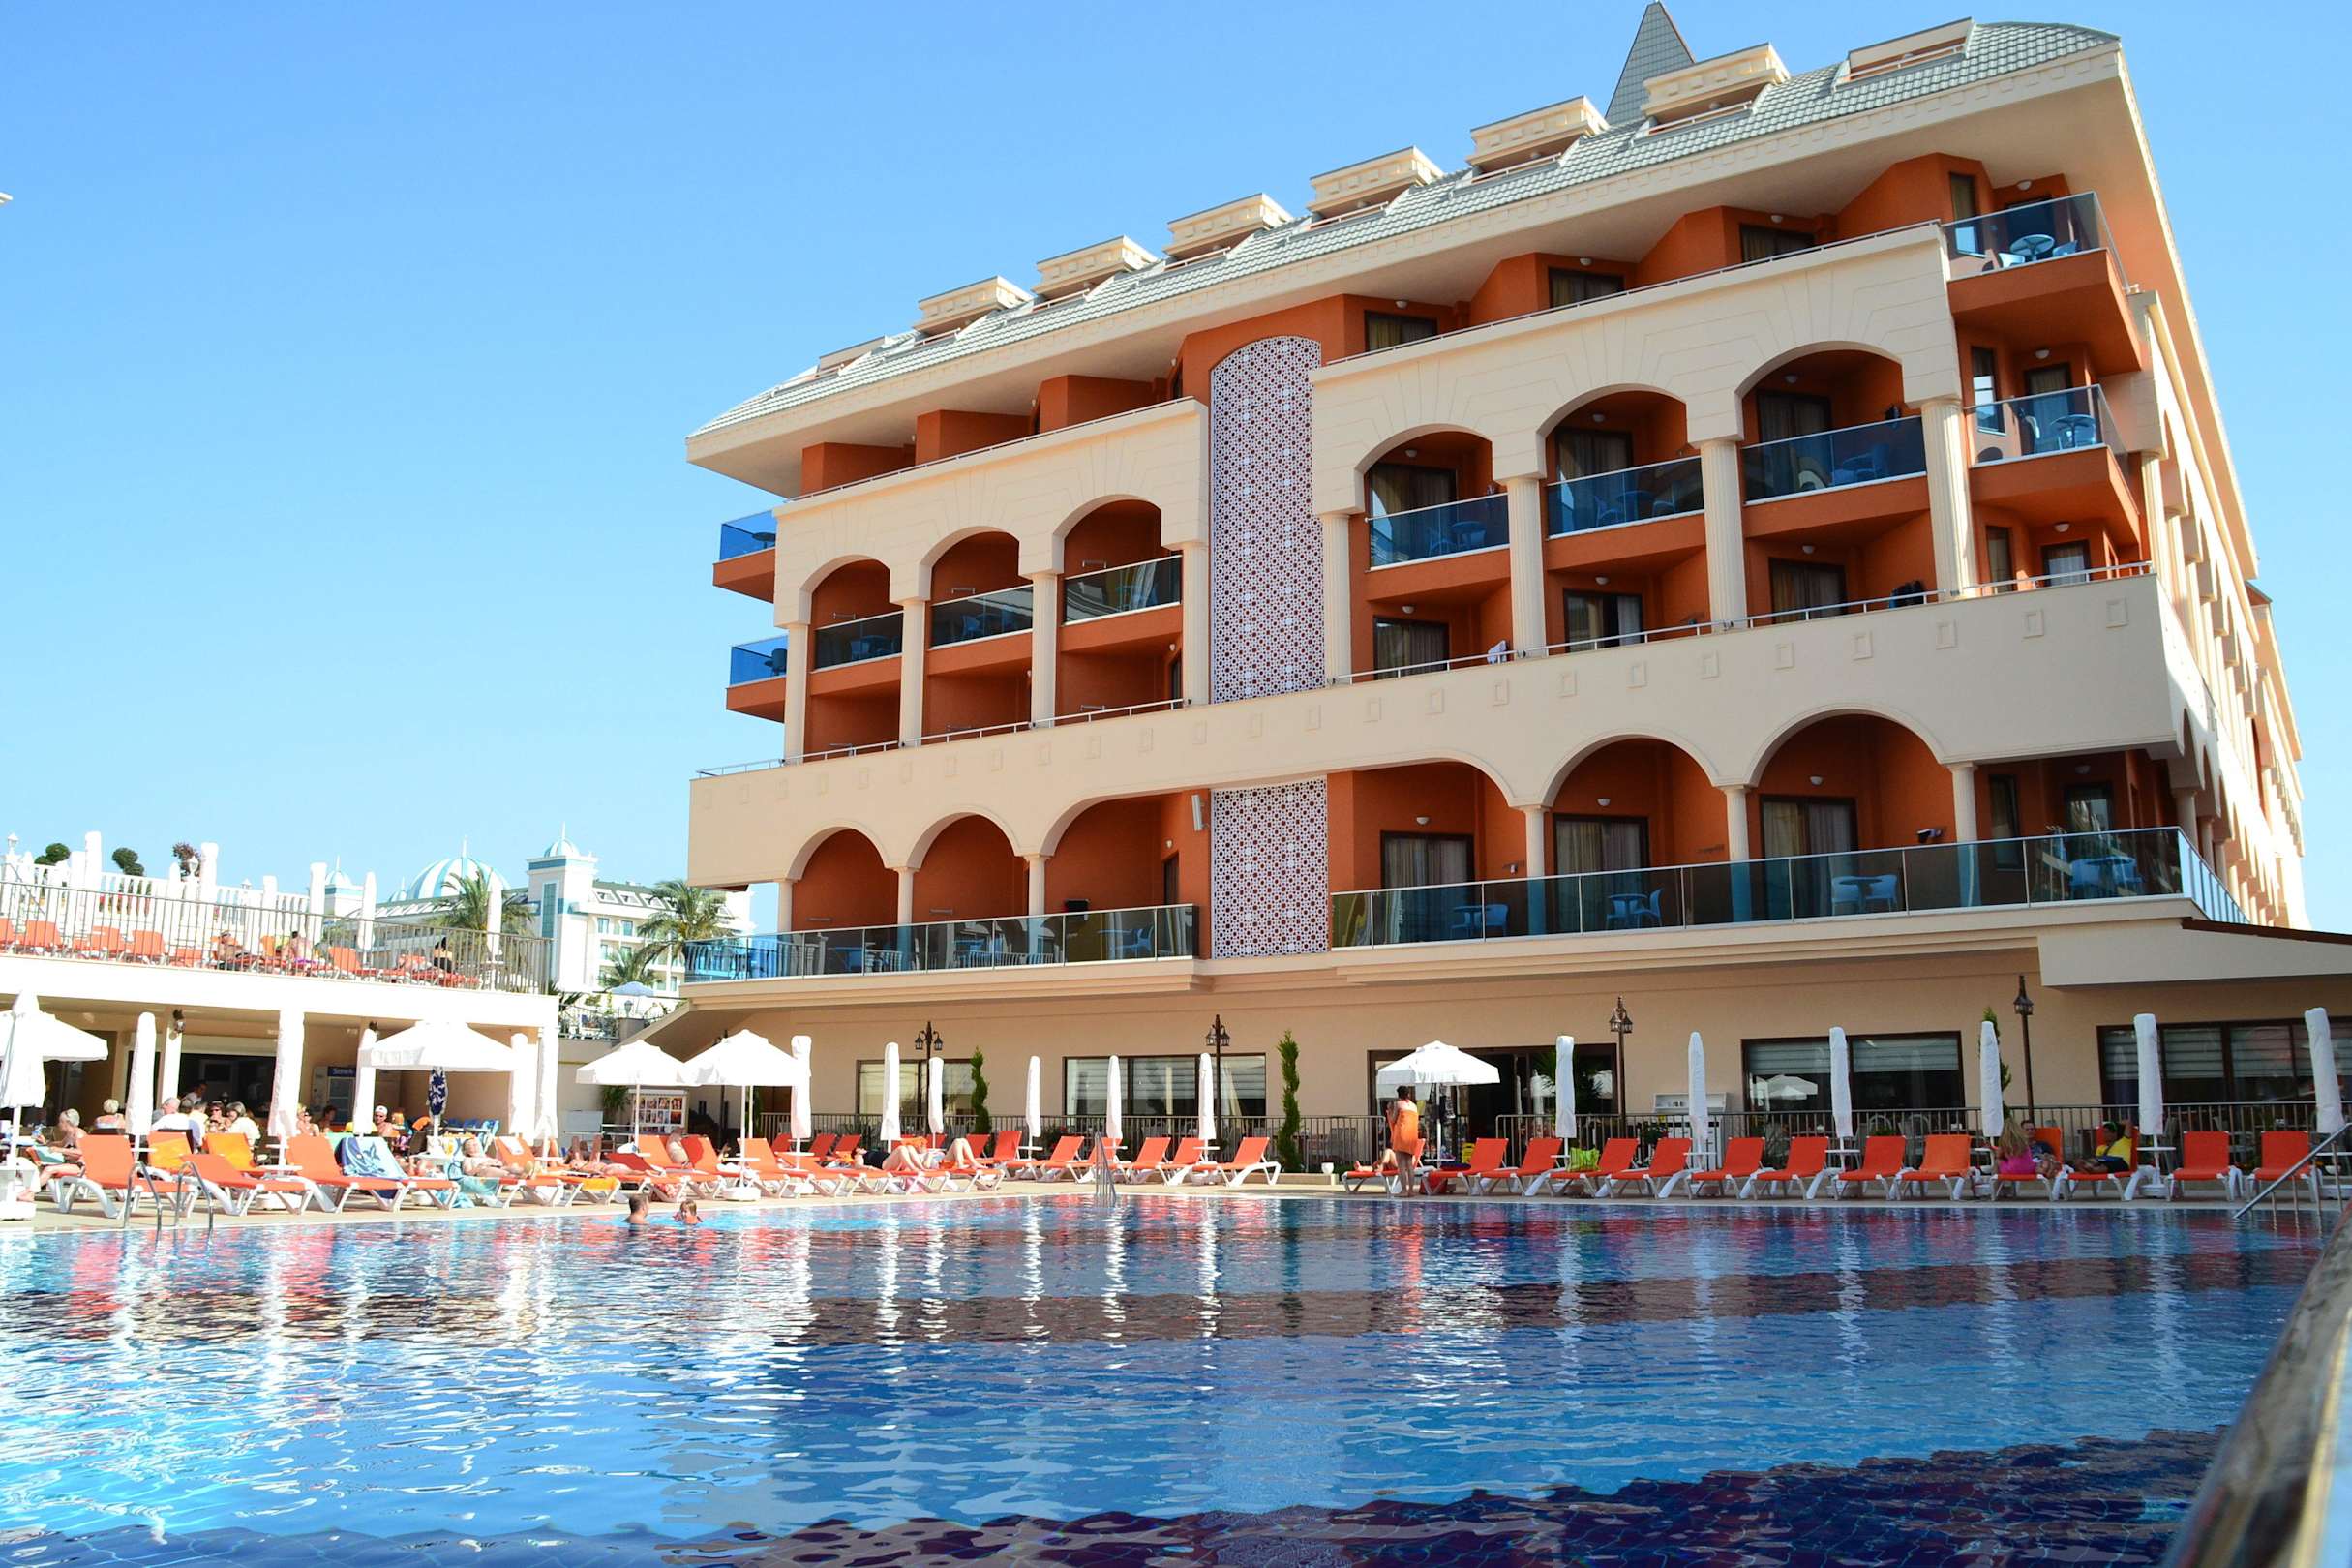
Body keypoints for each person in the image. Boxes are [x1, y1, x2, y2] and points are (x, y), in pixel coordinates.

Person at [1386, 1085, 1421, 1184]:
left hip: (1401, 1136)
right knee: (1409, 1165)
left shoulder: (1398, 1104)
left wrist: (1390, 1111)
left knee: (1401, 1165)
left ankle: (1404, 1189)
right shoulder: (1414, 1106)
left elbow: (1393, 1120)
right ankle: (1411, 1189)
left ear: (1399, 1095)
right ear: (1408, 1094)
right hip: (1411, 1136)